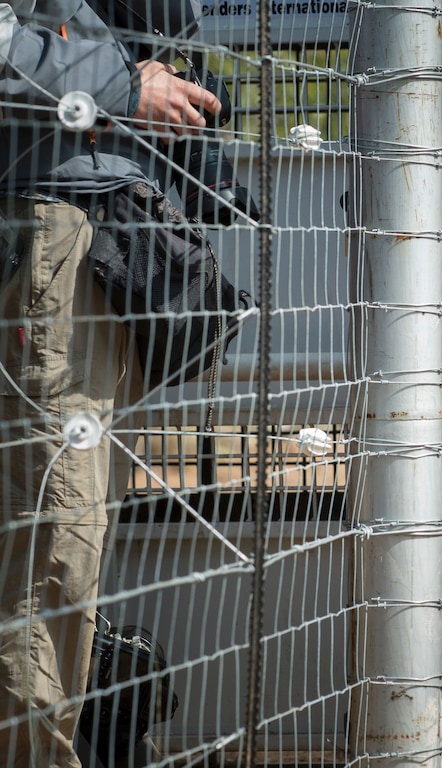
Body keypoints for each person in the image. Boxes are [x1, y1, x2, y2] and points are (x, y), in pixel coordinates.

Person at [0, 0, 221, 764]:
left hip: (77, 232)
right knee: (49, 548)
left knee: (58, 539)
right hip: (40, 232)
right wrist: (124, 88)